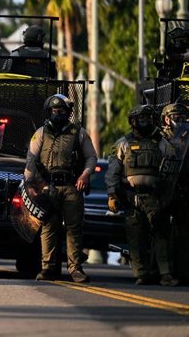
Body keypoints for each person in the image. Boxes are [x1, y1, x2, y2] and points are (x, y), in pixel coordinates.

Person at [24, 94, 97, 283]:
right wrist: (30, 184)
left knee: (74, 228)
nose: (58, 114)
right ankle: (47, 268)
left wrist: (84, 175)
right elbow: (31, 160)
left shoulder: (79, 133)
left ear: (68, 112)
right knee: (48, 227)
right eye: (54, 111)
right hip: (48, 187)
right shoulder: (40, 133)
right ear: (49, 112)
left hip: (72, 185)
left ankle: (75, 269)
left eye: (61, 111)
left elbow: (91, 157)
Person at [106, 105, 178, 286]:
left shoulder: (162, 142)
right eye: (141, 118)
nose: (144, 121)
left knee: (162, 234)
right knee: (135, 236)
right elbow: (113, 171)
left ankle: (166, 274)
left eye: (147, 118)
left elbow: (172, 170)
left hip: (155, 198)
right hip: (131, 197)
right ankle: (141, 274)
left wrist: (168, 195)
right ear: (133, 121)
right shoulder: (123, 143)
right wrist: (112, 194)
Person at [159, 103, 189, 283]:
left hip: (183, 189)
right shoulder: (159, 138)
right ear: (167, 119)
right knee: (161, 232)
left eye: (182, 117)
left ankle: (184, 272)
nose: (180, 120)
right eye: (176, 116)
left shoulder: (187, 137)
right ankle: (162, 271)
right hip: (163, 189)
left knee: (185, 233)